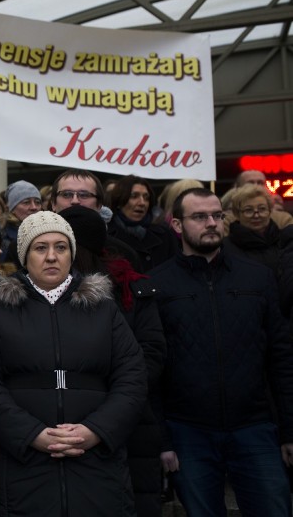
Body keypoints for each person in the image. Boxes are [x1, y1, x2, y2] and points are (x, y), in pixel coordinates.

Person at [0, 211, 147, 516]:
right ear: (25, 256)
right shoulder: (1, 310)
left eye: (61, 247)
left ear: (72, 254)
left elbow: (132, 377)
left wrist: (94, 431)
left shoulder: (102, 307)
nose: (52, 256)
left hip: (96, 464)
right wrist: (31, 434)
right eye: (41, 248)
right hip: (24, 467)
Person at [148, 188, 293, 516]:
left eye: (217, 215)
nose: (211, 223)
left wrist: (289, 430)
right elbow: (149, 370)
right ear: (177, 225)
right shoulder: (156, 284)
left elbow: (281, 358)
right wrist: (164, 440)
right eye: (200, 217)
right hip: (188, 431)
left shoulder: (257, 277)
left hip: (255, 426)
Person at [61, 205, 167, 517]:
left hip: (129, 423)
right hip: (70, 426)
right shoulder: (45, 293)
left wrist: (111, 404)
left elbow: (152, 354)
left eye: (63, 245)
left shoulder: (131, 288)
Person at [107, 175, 178, 272]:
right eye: (134, 196)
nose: (142, 203)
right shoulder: (106, 235)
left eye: (146, 197)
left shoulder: (165, 234)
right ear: (119, 201)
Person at [1, 180, 42, 265]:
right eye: (26, 202)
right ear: (12, 209)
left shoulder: (47, 231)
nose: (34, 207)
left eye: (37, 202)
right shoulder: (3, 238)